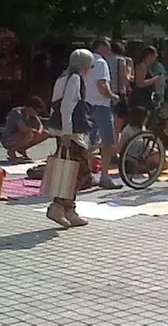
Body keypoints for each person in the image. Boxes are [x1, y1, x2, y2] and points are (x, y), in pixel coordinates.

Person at [46, 49, 95, 228]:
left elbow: (55, 105)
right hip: (71, 132)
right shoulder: (75, 78)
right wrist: (67, 132)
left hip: (64, 130)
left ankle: (69, 209)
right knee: (80, 172)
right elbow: (67, 106)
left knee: (69, 171)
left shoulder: (63, 77)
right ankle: (59, 206)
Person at [87, 37, 122, 190]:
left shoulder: (84, 61)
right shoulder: (101, 63)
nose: (109, 49)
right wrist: (113, 96)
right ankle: (105, 176)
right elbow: (102, 85)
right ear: (99, 47)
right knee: (107, 143)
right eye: (107, 46)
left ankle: (87, 175)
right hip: (101, 105)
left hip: (86, 105)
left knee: (88, 142)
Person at [1, 97, 49, 162]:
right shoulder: (17, 112)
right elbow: (23, 128)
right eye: (36, 111)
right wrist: (34, 130)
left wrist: (39, 132)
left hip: (20, 136)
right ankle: (12, 151)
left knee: (45, 133)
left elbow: (40, 125)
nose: (37, 114)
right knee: (29, 134)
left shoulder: (31, 114)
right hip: (8, 139)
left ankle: (22, 149)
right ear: (30, 108)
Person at [108, 41, 129, 138]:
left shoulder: (104, 60)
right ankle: (115, 148)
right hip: (118, 93)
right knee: (117, 127)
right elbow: (124, 78)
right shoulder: (120, 60)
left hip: (107, 93)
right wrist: (129, 73)